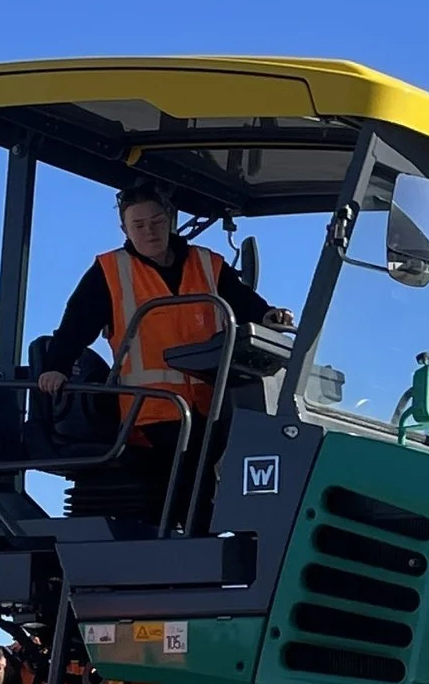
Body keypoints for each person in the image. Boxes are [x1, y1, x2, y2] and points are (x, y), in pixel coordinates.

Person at [36, 184, 292, 524]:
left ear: (170, 220)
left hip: (211, 401)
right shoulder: (109, 272)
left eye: (156, 221)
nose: (149, 231)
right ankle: (199, 545)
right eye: (138, 225)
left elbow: (243, 302)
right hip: (151, 407)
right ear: (125, 229)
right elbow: (75, 325)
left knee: (257, 452)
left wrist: (267, 316)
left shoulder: (208, 264)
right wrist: (57, 367)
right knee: (192, 470)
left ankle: (241, 534)